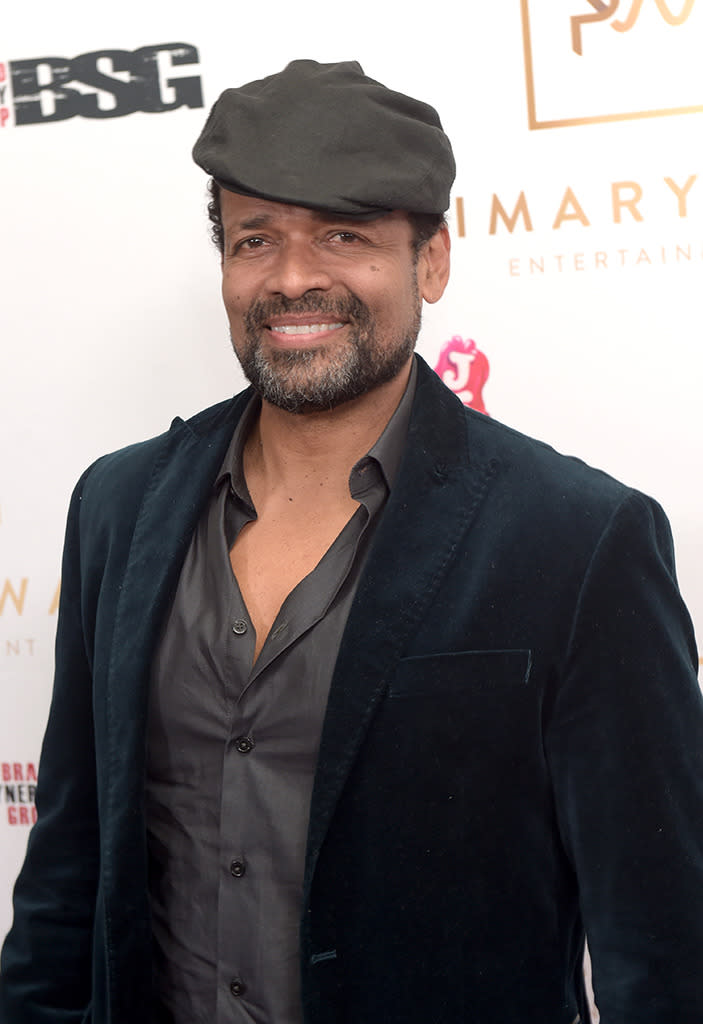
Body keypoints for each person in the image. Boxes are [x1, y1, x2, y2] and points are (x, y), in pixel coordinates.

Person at [1, 59, 702, 1024]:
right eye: (257, 239)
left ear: (432, 261)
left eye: (344, 235)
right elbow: (66, 870)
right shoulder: (119, 506)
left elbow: (661, 945)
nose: (293, 278)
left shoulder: (579, 539)